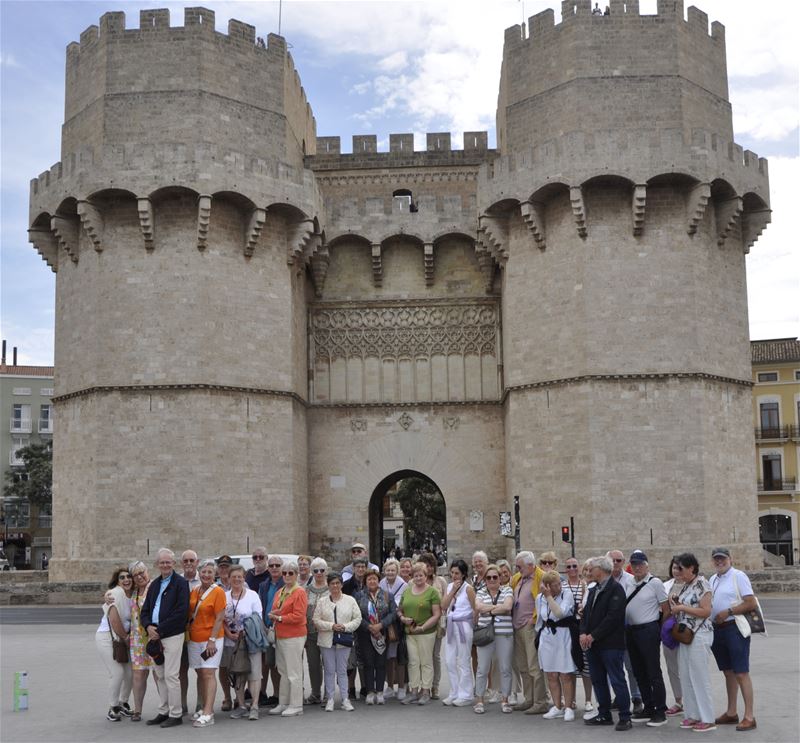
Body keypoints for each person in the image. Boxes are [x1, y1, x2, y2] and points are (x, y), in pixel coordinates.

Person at [579, 555, 631, 731]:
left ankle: (625, 716)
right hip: (593, 644)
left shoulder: (616, 590)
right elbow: (586, 614)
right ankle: (604, 713)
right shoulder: (593, 589)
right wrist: (583, 633)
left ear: (600, 570)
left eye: (591, 568)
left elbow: (613, 618)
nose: (589, 571)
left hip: (610, 644)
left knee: (617, 679)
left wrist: (592, 635)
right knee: (598, 680)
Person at [140, 548, 190, 728]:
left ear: (173, 564)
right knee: (159, 674)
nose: (165, 565)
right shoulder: (154, 585)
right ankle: (163, 711)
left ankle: (176, 714)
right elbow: (145, 611)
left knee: (171, 675)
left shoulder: (181, 583)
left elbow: (181, 612)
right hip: (155, 636)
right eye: (162, 562)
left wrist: (159, 630)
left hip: (172, 635)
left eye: (168, 562)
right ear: (157, 564)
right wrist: (148, 626)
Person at [709, 547, 757, 732]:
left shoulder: (738, 576)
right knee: (728, 672)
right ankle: (731, 712)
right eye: (716, 559)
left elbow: (750, 602)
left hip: (734, 628)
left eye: (722, 558)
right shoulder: (713, 579)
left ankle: (749, 716)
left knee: (741, 672)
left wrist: (728, 611)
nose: (719, 562)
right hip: (718, 630)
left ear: (730, 559)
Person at [669, 552, 715, 732]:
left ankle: (708, 718)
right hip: (686, 634)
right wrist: (677, 602)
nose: (678, 571)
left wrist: (681, 607)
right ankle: (693, 714)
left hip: (700, 633)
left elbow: (706, 611)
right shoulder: (686, 586)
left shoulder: (703, 584)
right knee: (686, 675)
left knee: (699, 676)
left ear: (691, 568)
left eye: (681, 568)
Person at [624, 550, 668, 727]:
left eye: (640, 564)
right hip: (631, 631)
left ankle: (660, 710)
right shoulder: (629, 582)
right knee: (639, 671)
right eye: (634, 564)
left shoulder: (655, 582)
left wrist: (659, 629)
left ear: (647, 565)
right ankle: (648, 706)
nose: (637, 567)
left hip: (648, 630)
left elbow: (665, 608)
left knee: (653, 672)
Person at [314, 572, 362, 711]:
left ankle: (345, 699)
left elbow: (357, 618)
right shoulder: (322, 601)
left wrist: (345, 627)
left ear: (341, 584)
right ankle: (329, 699)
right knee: (329, 670)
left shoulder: (350, 600)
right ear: (328, 585)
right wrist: (331, 626)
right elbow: (316, 620)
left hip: (344, 639)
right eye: (332, 583)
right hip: (327, 639)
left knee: (342, 670)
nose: (335, 586)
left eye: (337, 583)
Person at [187, 558, 226, 728]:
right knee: (201, 674)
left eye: (210, 572)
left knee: (209, 674)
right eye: (203, 572)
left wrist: (212, 640)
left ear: (214, 574)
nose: (206, 575)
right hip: (195, 639)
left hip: (212, 639)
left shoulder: (218, 592)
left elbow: (220, 617)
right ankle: (203, 707)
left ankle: (209, 713)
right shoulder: (194, 591)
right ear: (199, 573)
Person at [223, 564, 264, 720]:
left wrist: (245, 631)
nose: (237, 579)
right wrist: (228, 633)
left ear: (244, 578)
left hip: (250, 640)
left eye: (239, 576)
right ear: (229, 578)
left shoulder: (252, 595)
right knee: (238, 673)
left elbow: (257, 617)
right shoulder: (224, 596)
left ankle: (254, 705)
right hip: (231, 641)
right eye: (234, 577)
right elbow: (220, 619)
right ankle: (241, 705)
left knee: (254, 673)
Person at [397, 561, 442, 705]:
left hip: (426, 632)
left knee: (426, 662)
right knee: (413, 662)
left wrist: (422, 628)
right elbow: (399, 610)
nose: (418, 578)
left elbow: (436, 614)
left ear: (426, 575)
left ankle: (426, 691)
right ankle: (414, 690)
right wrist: (403, 618)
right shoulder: (407, 591)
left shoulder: (432, 592)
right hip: (410, 633)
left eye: (421, 575)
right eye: (415, 576)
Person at [268, 560, 308, 717]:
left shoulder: (300, 592)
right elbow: (275, 608)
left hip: (294, 635)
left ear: (296, 575)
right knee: (283, 671)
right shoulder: (281, 591)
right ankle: (283, 702)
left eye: (290, 573)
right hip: (281, 635)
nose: (286, 575)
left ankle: (296, 704)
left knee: (294, 672)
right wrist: (275, 614)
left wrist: (279, 618)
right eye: (284, 573)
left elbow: (299, 616)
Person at [511, 550, 548, 714]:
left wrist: (533, 619)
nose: (518, 569)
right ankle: (529, 699)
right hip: (517, 626)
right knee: (523, 666)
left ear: (531, 565)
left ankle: (540, 701)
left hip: (530, 627)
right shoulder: (518, 578)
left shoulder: (541, 577)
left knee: (534, 666)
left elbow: (546, 600)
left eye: (520, 566)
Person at [473, 563, 514, 714]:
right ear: (485, 579)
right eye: (488, 577)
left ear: (500, 578)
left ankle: (505, 700)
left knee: (505, 668)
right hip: (486, 634)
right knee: (482, 668)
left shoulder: (507, 590)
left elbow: (508, 607)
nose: (491, 580)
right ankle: (479, 700)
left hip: (504, 634)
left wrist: (488, 609)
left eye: (495, 577)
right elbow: (478, 607)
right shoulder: (481, 592)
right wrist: (497, 609)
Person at [537, 570, 577, 721]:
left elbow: (559, 613)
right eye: (555, 585)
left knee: (565, 674)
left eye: (559, 584)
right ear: (547, 586)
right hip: (547, 637)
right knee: (551, 674)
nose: (559, 587)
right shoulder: (539, 598)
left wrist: (548, 596)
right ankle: (557, 706)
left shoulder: (566, 594)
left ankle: (568, 707)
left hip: (564, 635)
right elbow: (541, 619)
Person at [97, 567, 133, 721]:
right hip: (107, 638)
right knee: (117, 673)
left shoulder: (133, 595)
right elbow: (114, 619)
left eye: (129, 576)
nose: (126, 580)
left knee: (130, 673)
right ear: (117, 581)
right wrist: (126, 638)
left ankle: (123, 703)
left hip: (122, 639)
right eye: (122, 577)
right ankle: (113, 707)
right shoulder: (115, 593)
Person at [355, 568, 397, 704]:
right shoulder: (359, 596)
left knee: (380, 663)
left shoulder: (387, 595)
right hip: (365, 634)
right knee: (368, 663)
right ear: (365, 582)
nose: (372, 581)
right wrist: (369, 627)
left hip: (382, 634)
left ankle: (379, 691)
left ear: (379, 581)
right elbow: (356, 615)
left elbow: (393, 613)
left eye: (374, 579)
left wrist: (381, 625)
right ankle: (370, 691)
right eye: (369, 579)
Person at [607, 548, 641, 712]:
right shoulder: (603, 580)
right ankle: (620, 697)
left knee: (631, 666)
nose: (615, 563)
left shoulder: (631, 580)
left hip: (627, 629)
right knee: (614, 667)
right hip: (609, 632)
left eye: (618, 560)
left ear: (623, 562)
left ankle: (636, 697)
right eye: (612, 560)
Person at [441, 558, 475, 706]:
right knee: (449, 660)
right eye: (452, 572)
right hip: (450, 624)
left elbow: (475, 608)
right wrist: (453, 590)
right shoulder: (449, 587)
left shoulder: (468, 588)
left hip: (463, 625)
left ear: (463, 574)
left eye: (457, 573)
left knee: (463, 660)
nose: (454, 575)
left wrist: (472, 625)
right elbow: (444, 605)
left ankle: (466, 694)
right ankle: (454, 692)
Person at [564, 555, 593, 715]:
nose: (572, 569)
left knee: (586, 666)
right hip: (569, 630)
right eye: (569, 567)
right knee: (571, 666)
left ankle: (588, 700)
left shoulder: (585, 586)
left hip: (582, 627)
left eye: (574, 566)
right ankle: (572, 699)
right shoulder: (562, 586)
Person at [128, 561, 155, 722]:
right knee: (139, 674)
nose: (140, 577)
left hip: (153, 637)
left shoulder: (155, 587)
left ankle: (165, 708)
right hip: (137, 639)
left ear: (147, 571)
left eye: (142, 572)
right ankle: (137, 709)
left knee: (158, 674)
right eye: (136, 575)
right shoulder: (133, 592)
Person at [256, 555, 284, 706]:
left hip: (282, 627)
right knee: (267, 662)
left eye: (277, 565)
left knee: (278, 664)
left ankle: (279, 694)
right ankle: (266, 693)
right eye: (271, 565)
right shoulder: (264, 585)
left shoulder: (286, 584)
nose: (274, 568)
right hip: (267, 628)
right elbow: (260, 606)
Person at [420, 551, 447, 699]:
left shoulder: (440, 581)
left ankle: (435, 686)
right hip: (421, 622)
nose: (428, 568)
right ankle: (425, 685)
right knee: (423, 656)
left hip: (437, 623)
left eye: (430, 566)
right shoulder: (416, 580)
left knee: (435, 655)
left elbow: (447, 600)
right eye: (426, 565)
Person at [380, 557, 407, 700]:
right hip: (385, 624)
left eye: (393, 570)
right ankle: (390, 686)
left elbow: (401, 604)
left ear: (397, 571)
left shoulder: (403, 585)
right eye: (388, 570)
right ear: (384, 571)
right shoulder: (381, 583)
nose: (390, 572)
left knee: (399, 655)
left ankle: (401, 687)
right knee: (388, 657)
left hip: (398, 624)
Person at [304, 557, 329, 705]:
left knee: (328, 663)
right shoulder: (306, 590)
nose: (319, 573)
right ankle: (315, 692)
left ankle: (328, 693)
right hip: (311, 632)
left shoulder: (331, 588)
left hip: (327, 632)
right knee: (313, 664)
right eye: (315, 571)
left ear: (326, 571)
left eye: (322, 570)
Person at [178, 549, 200, 717]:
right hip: (181, 633)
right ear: (181, 563)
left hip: (199, 633)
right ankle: (182, 703)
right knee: (181, 669)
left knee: (201, 669)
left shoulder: (204, 580)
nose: (189, 564)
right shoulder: (176, 581)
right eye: (186, 561)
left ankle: (200, 703)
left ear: (197, 562)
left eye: (192, 560)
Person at [662, 556, 684, 717]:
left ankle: (691, 700)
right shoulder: (666, 586)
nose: (676, 571)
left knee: (688, 667)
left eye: (680, 568)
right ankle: (678, 701)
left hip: (688, 631)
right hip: (670, 631)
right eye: (675, 567)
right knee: (672, 668)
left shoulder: (694, 585)